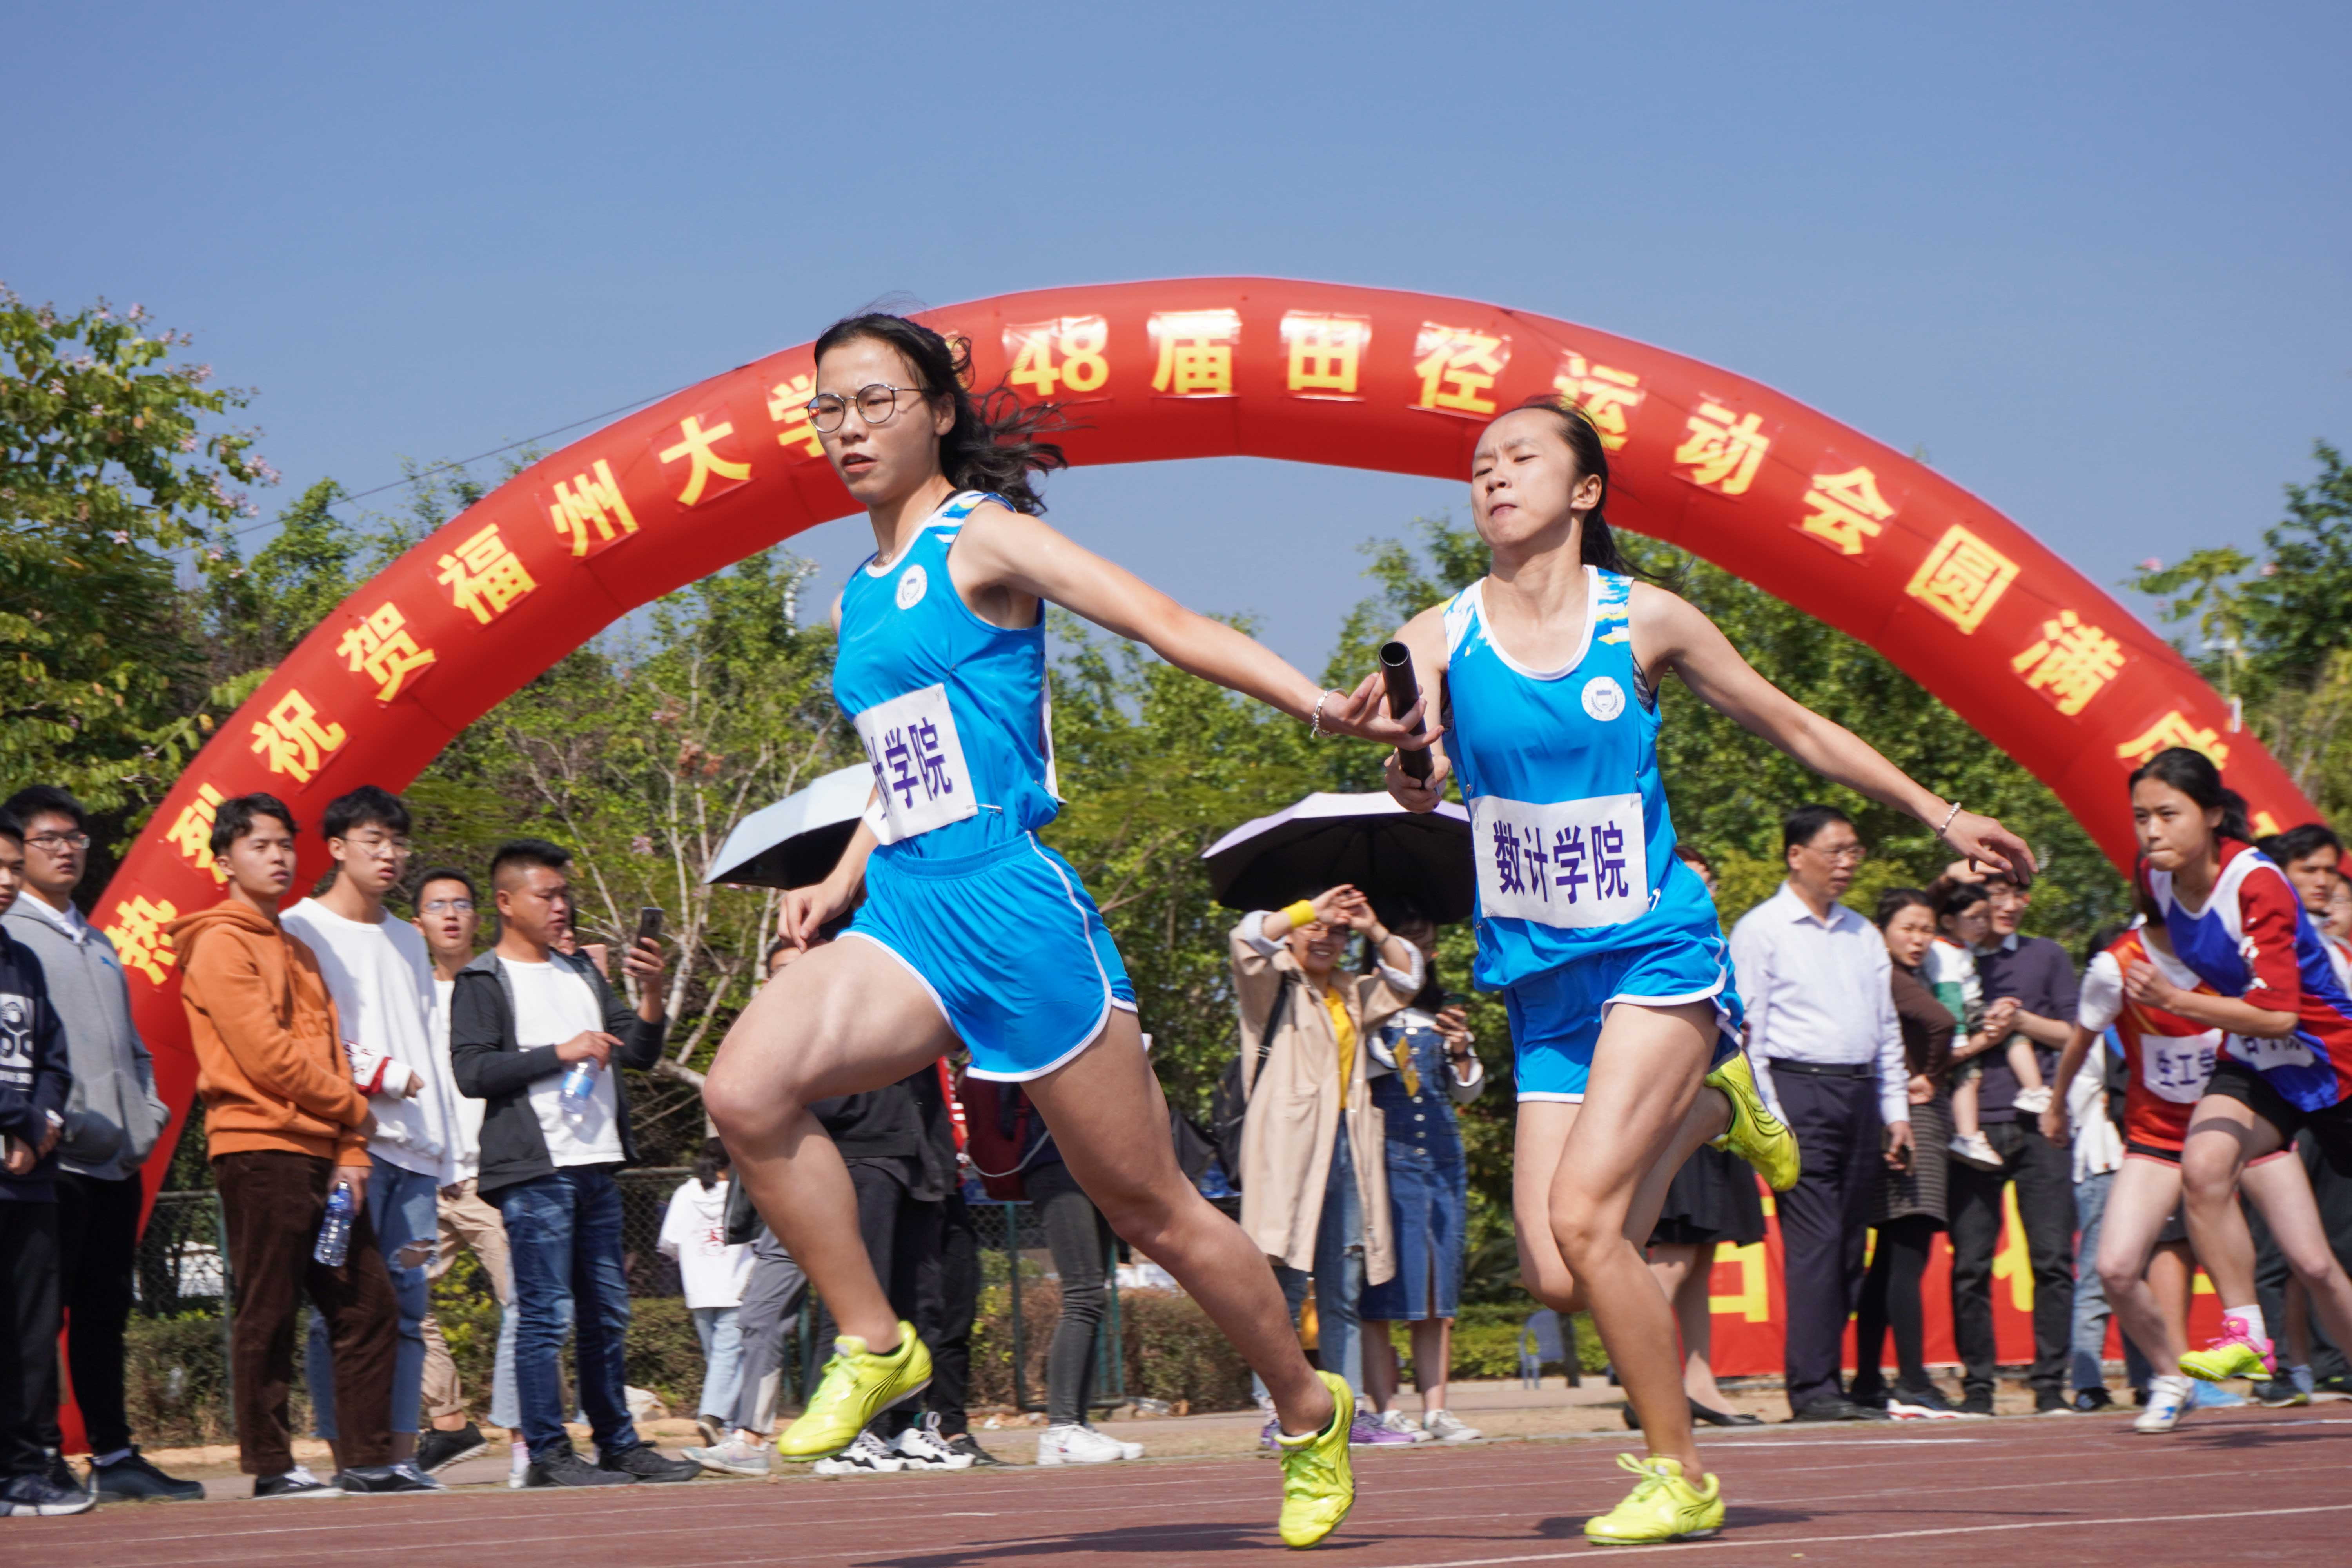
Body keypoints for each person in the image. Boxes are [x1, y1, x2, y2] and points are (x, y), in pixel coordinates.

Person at [701, 312, 1427, 1549]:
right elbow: (907, 759)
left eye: (874, 401)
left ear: (938, 410)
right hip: (909, 907)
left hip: (1016, 913)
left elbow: (1161, 621)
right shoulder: (859, 591)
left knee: (1150, 1208)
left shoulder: (983, 536)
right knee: (744, 1091)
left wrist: (1318, 706)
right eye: (827, 408)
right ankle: (875, 1342)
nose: (847, 428)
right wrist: (842, 873)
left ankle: (1309, 1408)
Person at [1382, 394, 2030, 1544]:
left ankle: (1677, 1470)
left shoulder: (1642, 619)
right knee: (1554, 1271)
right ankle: (1710, 1109)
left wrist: (1939, 812)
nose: (1493, 475)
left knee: (1587, 1221)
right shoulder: (1439, 632)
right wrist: (1406, 770)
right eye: (1479, 464)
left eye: (1520, 457)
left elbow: (1795, 725)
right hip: (1540, 980)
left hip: (1654, 953)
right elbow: (1408, 754)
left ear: (1584, 490)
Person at [166, 794, 421, 1499]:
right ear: (225, 861)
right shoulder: (219, 942)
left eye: (285, 845)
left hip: (323, 1154)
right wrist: (356, 1111)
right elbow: (266, 1056)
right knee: (269, 1309)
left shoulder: (298, 948)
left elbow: (332, 1053)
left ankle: (367, 1460)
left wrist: (352, 1148)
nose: (278, 858)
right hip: (259, 1150)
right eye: (260, 846)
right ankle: (272, 1466)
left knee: (368, 1306)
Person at [448, 838, 699, 1488]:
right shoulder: (483, 980)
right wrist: (560, 1052)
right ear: (507, 902)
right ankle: (548, 1454)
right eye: (547, 895)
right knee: (546, 1314)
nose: (561, 906)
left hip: (598, 1163)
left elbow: (639, 1051)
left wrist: (652, 991)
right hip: (535, 1171)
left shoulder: (582, 971)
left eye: (565, 895)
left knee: (607, 1313)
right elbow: (472, 1071)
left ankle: (617, 1444)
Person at [2114, 751, 2352, 1398]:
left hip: (2332, 1062)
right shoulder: (2157, 879)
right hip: (2256, 1062)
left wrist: (2174, 1001)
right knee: (2204, 1167)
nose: (2152, 831)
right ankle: (2246, 1332)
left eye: (2168, 814)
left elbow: (2279, 1015)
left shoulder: (2256, 882)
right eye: (2141, 817)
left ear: (2214, 815)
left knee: (2320, 1263)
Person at [0, 786, 195, 1502]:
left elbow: (130, 1045)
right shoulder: (14, 936)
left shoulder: (99, 938)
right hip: (52, 1160)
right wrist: (54, 1123)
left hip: (116, 1159)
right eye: (48, 839)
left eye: (76, 838)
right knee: (34, 1318)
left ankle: (114, 1456)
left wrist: (147, 1115)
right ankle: (38, 1455)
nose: (66, 850)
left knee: (105, 1313)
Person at [282, 788, 458, 1481]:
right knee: (339, 1310)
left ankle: (400, 1457)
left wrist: (447, 1152)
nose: (390, 855)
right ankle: (348, 1457)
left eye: (398, 843)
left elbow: (431, 1041)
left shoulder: (408, 939)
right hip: (346, 1153)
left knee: (411, 1309)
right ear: (336, 848)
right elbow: (302, 1038)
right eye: (374, 841)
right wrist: (379, 1074)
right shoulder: (300, 927)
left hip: (415, 1158)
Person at [1728, 806, 1911, 1425]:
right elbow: (1746, 1033)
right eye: (1836, 851)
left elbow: (1886, 1027)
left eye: (1854, 852)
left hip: (1860, 1094)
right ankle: (1812, 1389)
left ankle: (1835, 1381)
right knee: (1816, 1242)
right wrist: (1771, 1116)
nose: (1847, 863)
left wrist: (1895, 1109)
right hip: (1796, 1092)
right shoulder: (1762, 930)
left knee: (1852, 1246)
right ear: (1796, 855)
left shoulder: (1864, 934)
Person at [1229, 885, 1424, 1449]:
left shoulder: (1352, 990)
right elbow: (1245, 938)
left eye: (1338, 932)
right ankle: (1280, 1412)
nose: (1326, 938)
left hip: (1348, 1145)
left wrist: (1372, 927)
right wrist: (1308, 910)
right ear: (1293, 930)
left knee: (1344, 1284)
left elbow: (1408, 978)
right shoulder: (1271, 981)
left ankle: (1348, 1410)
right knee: (1282, 1284)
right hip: (1287, 1146)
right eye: (1316, 928)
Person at [2042, 893, 2218, 1433]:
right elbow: (2079, 1039)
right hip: (2153, 1138)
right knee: (2116, 1269)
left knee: (2312, 1261)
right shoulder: (2115, 966)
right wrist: (2056, 1103)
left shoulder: (2231, 952)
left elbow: (2281, 1018)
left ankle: (2258, 1342)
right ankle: (2171, 1375)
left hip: (2233, 1127)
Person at [1637, 848, 1764, 1431]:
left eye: (1709, 882)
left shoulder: (1715, 950)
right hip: (1668, 1116)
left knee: (1702, 1255)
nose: (1704, 890)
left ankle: (1699, 1385)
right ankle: (1638, 1373)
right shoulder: (1649, 949)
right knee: (1674, 1255)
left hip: (1717, 1111)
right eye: (1692, 880)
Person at [1947, 864, 2080, 1414]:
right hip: (1971, 1129)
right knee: (1971, 1264)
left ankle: (2050, 1385)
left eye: (2017, 894)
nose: (2008, 905)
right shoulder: (1949, 955)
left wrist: (2021, 1020)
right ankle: (1978, 1387)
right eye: (1996, 893)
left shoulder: (2047, 955)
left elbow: (2074, 1034)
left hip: (2039, 1125)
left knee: (2052, 1259)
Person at [686, 935, 817, 1479]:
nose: (790, 981)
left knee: (860, 1323)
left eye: (800, 969)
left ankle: (889, 1432)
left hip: (844, 1199)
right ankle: (750, 1437)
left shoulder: (847, 1037)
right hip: (784, 1208)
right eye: (779, 972)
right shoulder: (754, 1042)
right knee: (760, 1317)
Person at [407, 867, 521, 1479]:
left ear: (479, 917)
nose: (450, 914)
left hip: (492, 1179)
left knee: (526, 1305)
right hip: (426, 1181)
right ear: (417, 923)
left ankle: (534, 1437)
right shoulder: (408, 997)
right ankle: (450, 1423)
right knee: (399, 1298)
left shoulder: (501, 985)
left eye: (460, 904)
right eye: (436, 906)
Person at [1358, 906, 1486, 1444]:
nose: (1418, 953)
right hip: (1385, 1159)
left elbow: (1467, 1090)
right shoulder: (1361, 1006)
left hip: (1442, 1158)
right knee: (1382, 1286)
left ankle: (1437, 1411)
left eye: (1425, 944)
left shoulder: (1445, 1012)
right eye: (1405, 942)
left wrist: (1461, 1050)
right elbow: (1373, 1069)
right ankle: (1385, 1409)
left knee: (1438, 1289)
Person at [0, 813, 90, 1518]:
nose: (5, 881)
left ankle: (29, 1467)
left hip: (28, 1182)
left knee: (31, 1331)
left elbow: (54, 1060)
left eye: (10, 867)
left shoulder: (22, 962)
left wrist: (42, 1123)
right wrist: (19, 1121)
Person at [2246, 824, 2352, 1405]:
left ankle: (2336, 1363)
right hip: (2277, 1101)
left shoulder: (2338, 950)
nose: (2322, 881)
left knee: (2336, 1240)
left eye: (2331, 872)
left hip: (2333, 1101)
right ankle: (2279, 1369)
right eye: (2309, 870)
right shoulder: (2254, 941)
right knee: (2274, 1249)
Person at [1849, 889, 1956, 1415]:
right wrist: (1931, 1075)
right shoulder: (1892, 977)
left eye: (1927, 929)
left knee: (1889, 1259)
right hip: (1913, 1121)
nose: (1919, 939)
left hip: (1886, 1116)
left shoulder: (1888, 976)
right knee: (1906, 1255)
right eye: (1908, 928)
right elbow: (1943, 1022)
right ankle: (1913, 1380)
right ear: (1881, 930)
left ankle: (1869, 1379)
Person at [661, 1139, 753, 1439]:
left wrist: (693, 1260)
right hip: (736, 1286)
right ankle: (713, 1417)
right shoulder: (744, 1191)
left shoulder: (685, 1193)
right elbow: (758, 1240)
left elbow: (669, 1242)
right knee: (730, 1357)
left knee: (719, 1360)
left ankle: (727, 1428)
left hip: (699, 1289)